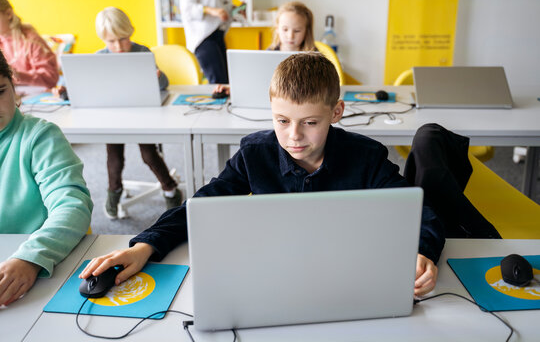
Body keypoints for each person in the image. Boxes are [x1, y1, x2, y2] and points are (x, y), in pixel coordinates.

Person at [81, 52, 444, 297]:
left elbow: (417, 211)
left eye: (310, 123)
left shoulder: (366, 157)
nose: (294, 136)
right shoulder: (256, 153)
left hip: (345, 275)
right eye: (282, 121)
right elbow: (204, 203)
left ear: (336, 113)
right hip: (277, 275)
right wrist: (146, 245)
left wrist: (422, 251)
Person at [0, 49, 92, 306]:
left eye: (0, 92)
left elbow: (72, 205)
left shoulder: (39, 137)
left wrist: (30, 258)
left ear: (13, 85)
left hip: (38, 271)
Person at [93, 7, 182, 219]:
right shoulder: (98, 58)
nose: (118, 46)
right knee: (114, 158)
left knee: (148, 154)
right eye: (111, 41)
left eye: (123, 39)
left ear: (130, 32)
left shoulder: (142, 52)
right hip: (113, 119)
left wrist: (157, 76)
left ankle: (170, 188)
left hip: (142, 116)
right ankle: (114, 189)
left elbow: (164, 84)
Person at [212, 0, 316, 96]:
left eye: (297, 31)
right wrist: (233, 88)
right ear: (277, 29)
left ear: (307, 31)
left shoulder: (314, 57)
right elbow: (257, 81)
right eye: (285, 29)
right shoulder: (269, 54)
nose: (290, 36)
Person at [0, 0, 59, 89]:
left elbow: (51, 78)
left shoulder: (31, 41)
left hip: (35, 96)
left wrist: (17, 75)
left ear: (8, 14)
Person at [180, 0, 232, 84]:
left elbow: (220, 2)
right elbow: (187, 9)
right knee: (219, 84)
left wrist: (234, 10)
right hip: (203, 36)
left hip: (218, 33)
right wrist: (212, 11)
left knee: (227, 83)